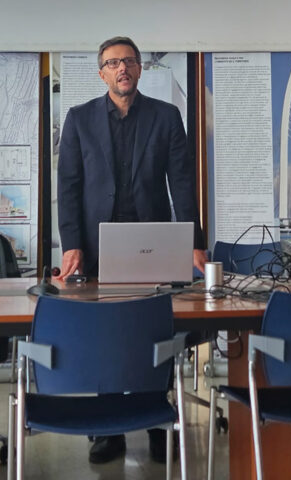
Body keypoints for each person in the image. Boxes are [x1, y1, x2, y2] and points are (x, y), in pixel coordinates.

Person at [57, 36, 206, 464]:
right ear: (101, 72)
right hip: (99, 247)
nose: (121, 68)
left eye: (128, 61)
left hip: (151, 243)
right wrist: (73, 246)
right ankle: (110, 429)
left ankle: (157, 421)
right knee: (107, 333)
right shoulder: (79, 119)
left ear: (140, 69)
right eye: (112, 63)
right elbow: (68, 188)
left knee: (152, 330)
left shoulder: (165, 116)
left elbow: (182, 183)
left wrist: (192, 241)